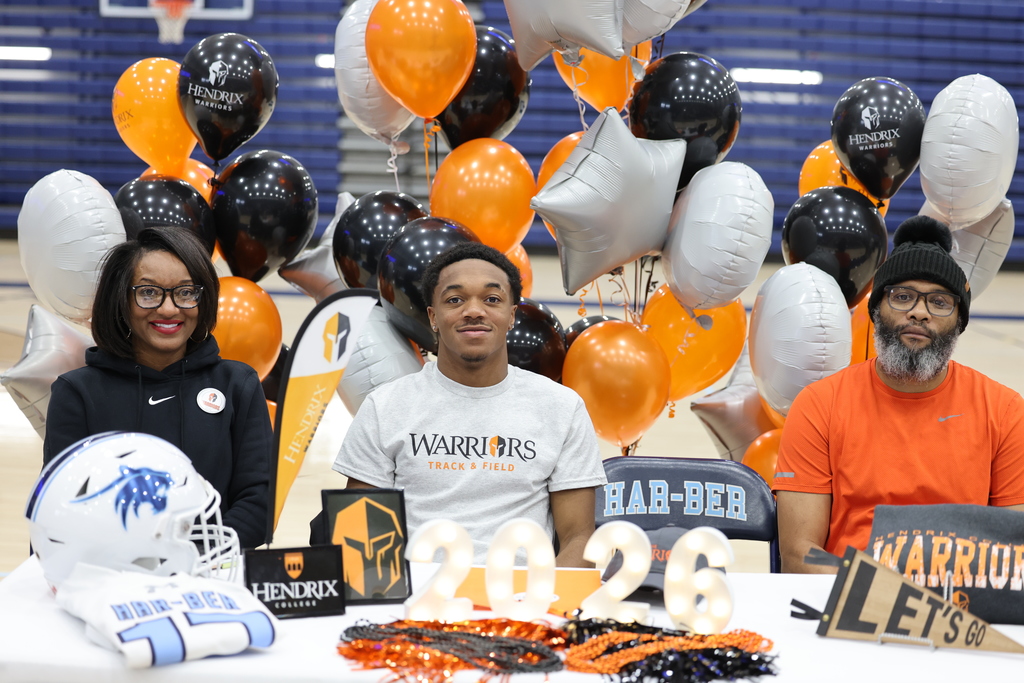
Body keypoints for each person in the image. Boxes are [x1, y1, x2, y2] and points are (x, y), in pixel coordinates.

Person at [774, 215, 1024, 573]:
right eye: (903, 297)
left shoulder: (1005, 411)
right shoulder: (819, 405)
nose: (919, 313)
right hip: (845, 595)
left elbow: (1015, 556)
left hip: (959, 600)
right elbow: (799, 555)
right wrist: (889, 595)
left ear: (959, 321)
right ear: (876, 310)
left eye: (939, 302)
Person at [332, 242, 606, 566]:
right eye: (455, 300)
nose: (474, 311)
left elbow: (579, 540)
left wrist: (540, 597)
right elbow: (359, 536)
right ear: (433, 317)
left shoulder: (562, 407)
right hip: (416, 594)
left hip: (523, 595)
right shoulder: (385, 406)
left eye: (492, 299)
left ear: (511, 316)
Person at [43, 227, 272, 549]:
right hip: (110, 574)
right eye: (149, 292)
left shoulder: (237, 385)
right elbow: (57, 512)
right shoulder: (78, 393)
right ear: (121, 298)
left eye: (186, 292)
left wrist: (190, 560)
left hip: (212, 572)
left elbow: (257, 504)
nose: (168, 309)